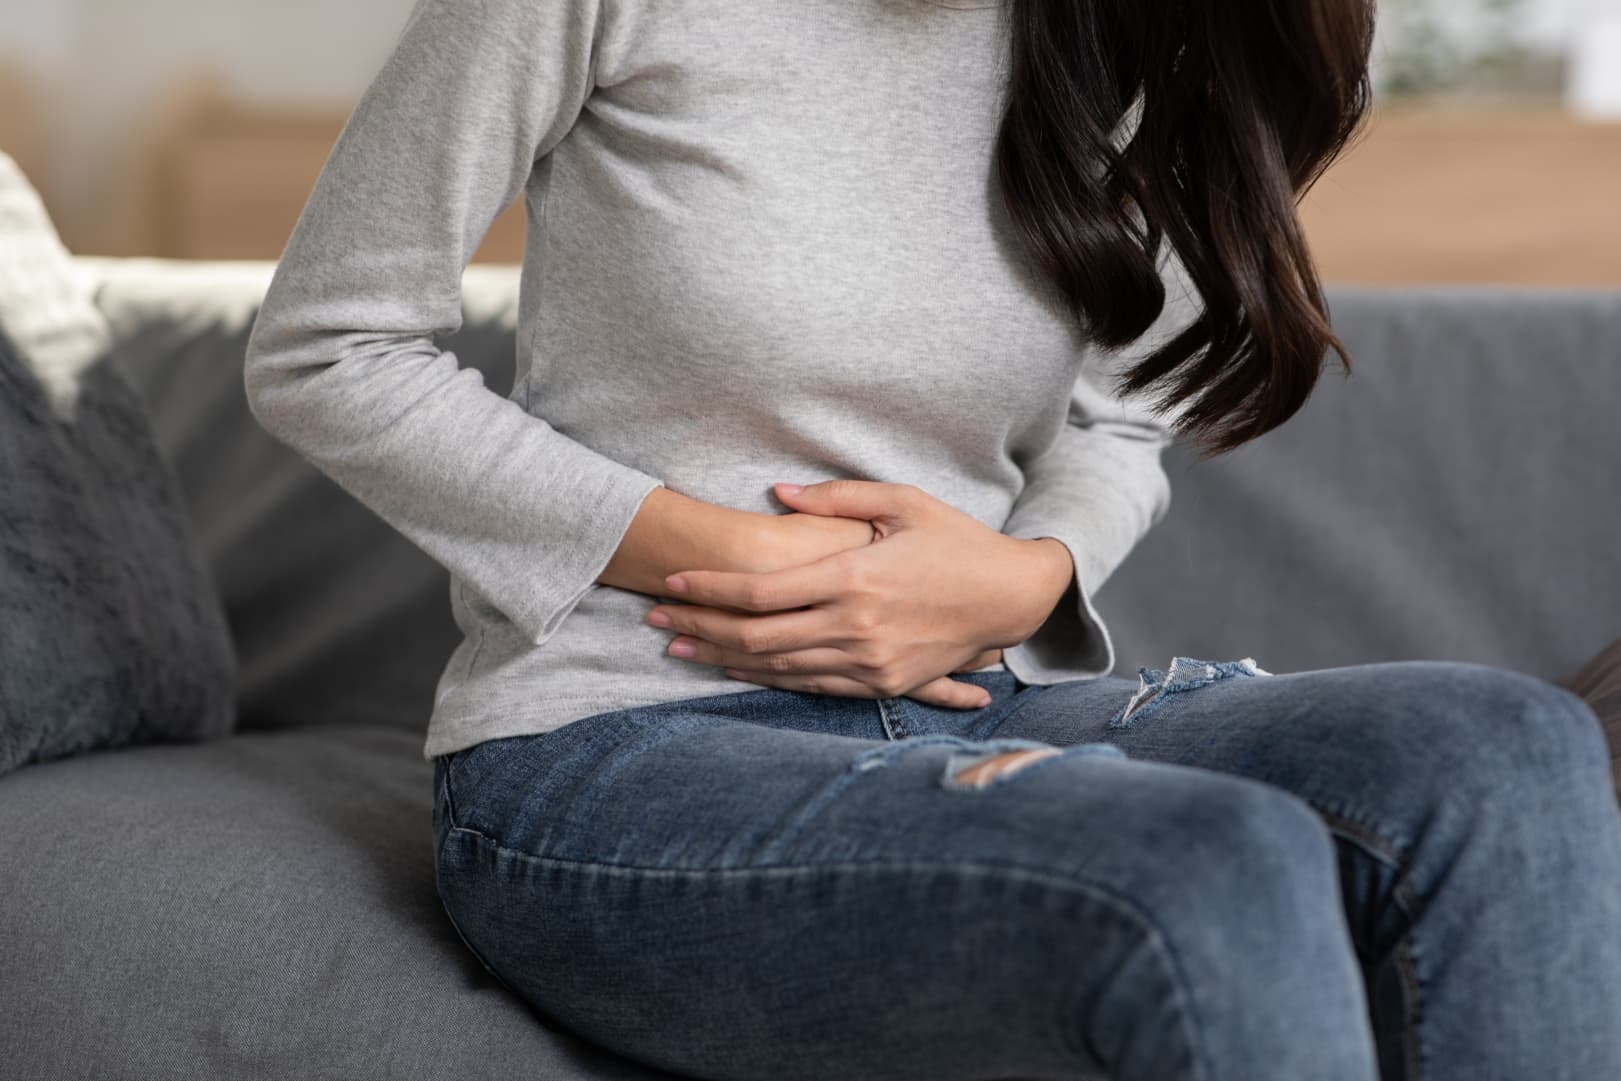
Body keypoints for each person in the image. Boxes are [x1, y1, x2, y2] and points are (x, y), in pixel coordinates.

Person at [242, 0, 1621, 1078]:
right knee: (1215, 856)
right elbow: (329, 347)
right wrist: (709, 550)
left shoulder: (1101, 33)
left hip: (974, 703)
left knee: (1506, 745)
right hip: (618, 748)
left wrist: (1027, 572)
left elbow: (1119, 414)